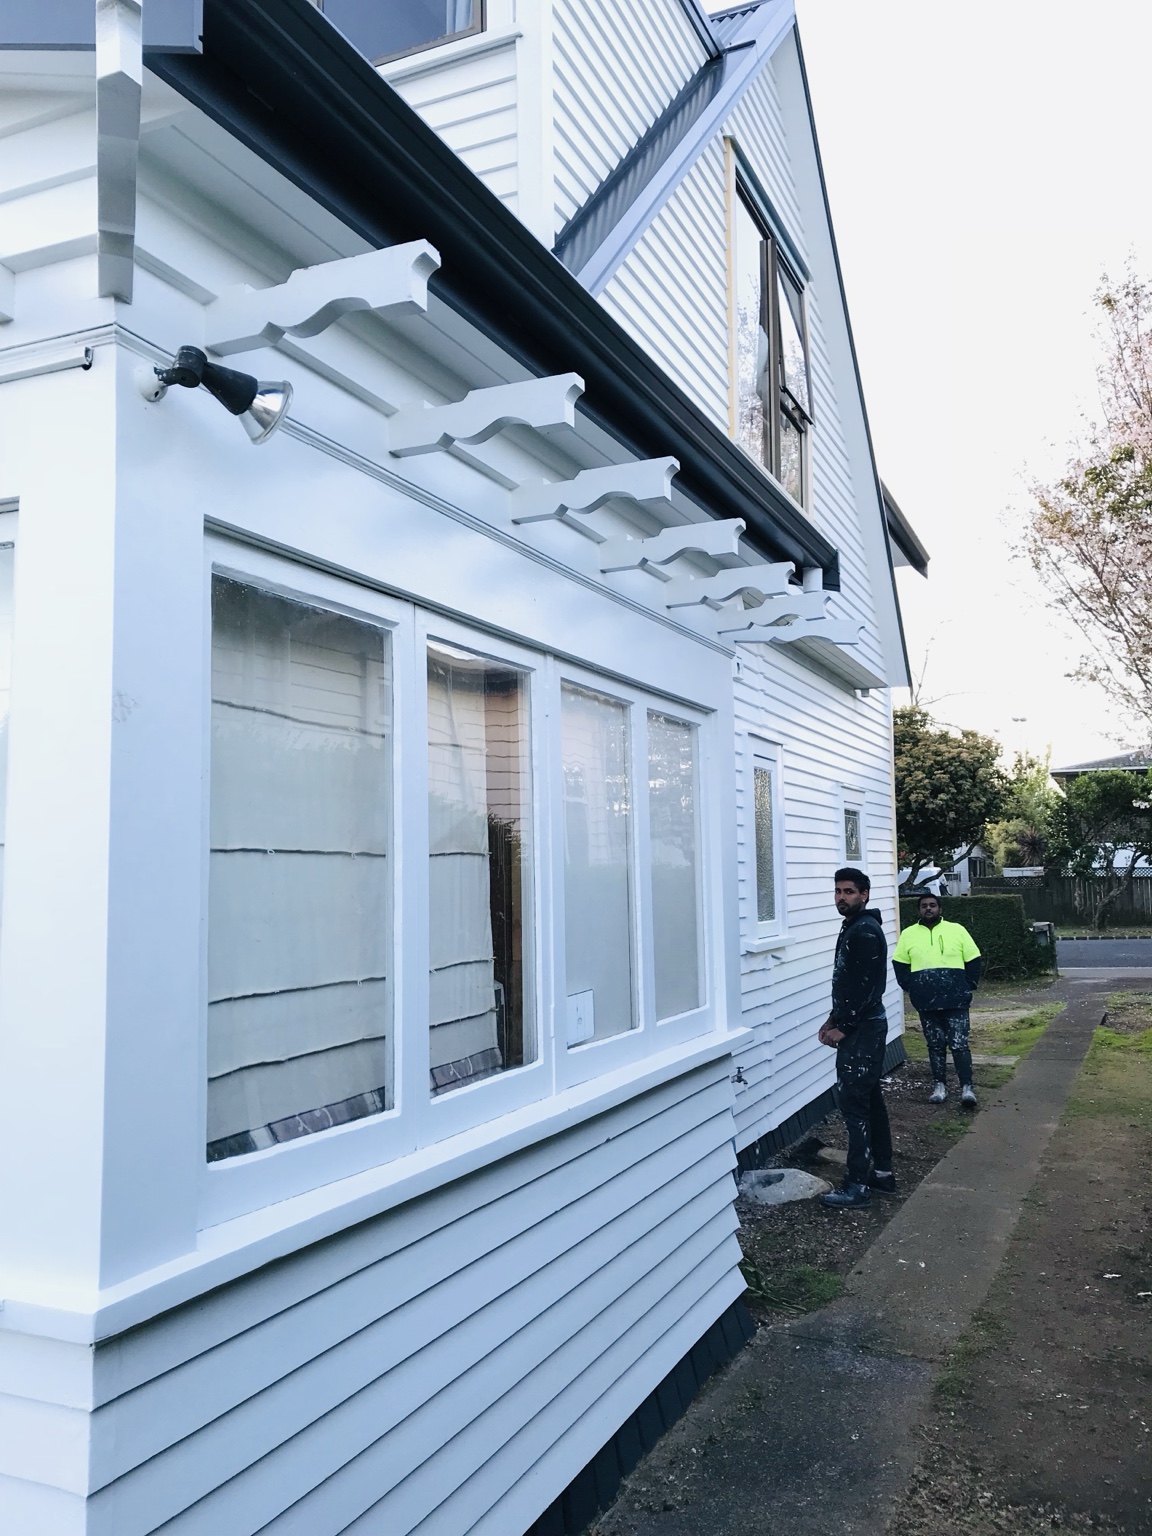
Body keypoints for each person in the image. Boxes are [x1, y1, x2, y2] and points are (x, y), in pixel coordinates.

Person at [817, 867, 895, 1208]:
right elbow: (848, 986)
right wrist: (832, 1017)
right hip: (861, 1026)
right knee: (870, 1102)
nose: (841, 897)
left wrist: (844, 1028)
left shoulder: (864, 931)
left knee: (855, 1108)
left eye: (849, 891)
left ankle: (857, 1186)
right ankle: (882, 1175)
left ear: (864, 894)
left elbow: (867, 989)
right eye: (838, 891)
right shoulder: (854, 926)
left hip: (863, 1033)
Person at [892, 892, 982, 1108]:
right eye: (924, 906)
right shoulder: (908, 934)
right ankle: (939, 1086)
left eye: (933, 905)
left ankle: (967, 1088)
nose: (928, 909)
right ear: (919, 910)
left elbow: (974, 959)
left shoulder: (957, 930)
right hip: (926, 1002)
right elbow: (899, 964)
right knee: (935, 1045)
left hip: (956, 1000)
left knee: (959, 1045)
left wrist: (967, 985)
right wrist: (911, 987)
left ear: (939, 909)